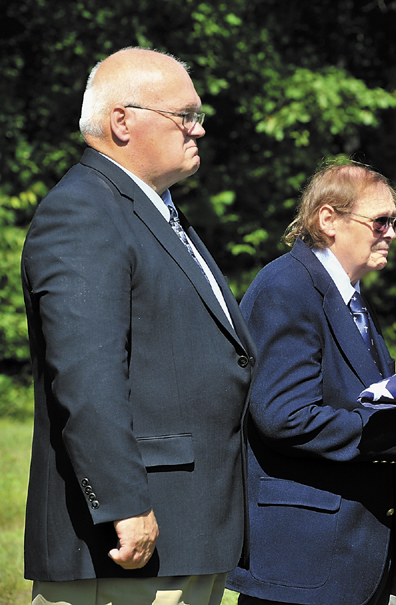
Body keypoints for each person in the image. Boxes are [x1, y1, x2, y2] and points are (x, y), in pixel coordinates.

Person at [21, 47, 255, 605]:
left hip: (185, 526)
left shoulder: (154, 211)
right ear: (121, 121)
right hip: (126, 545)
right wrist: (124, 503)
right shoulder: (83, 212)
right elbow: (84, 375)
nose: (198, 130)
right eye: (185, 116)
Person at [225, 161, 396, 605]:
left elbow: (369, 403)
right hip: (304, 563)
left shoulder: (349, 296)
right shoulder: (288, 287)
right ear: (328, 219)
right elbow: (284, 417)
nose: (392, 232)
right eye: (380, 221)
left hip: (350, 559)